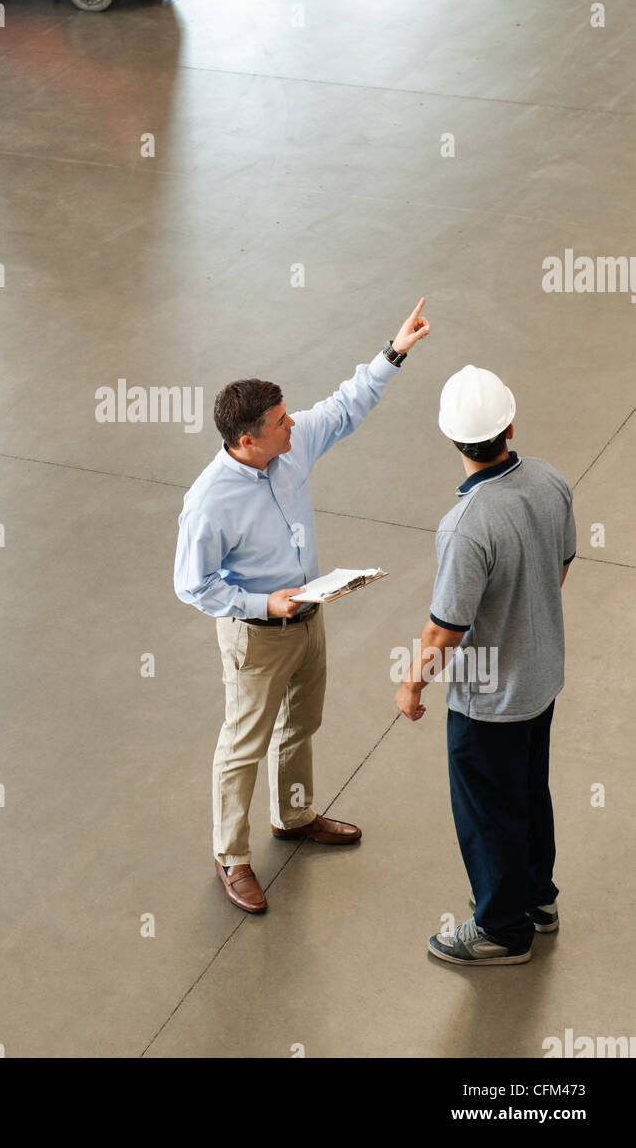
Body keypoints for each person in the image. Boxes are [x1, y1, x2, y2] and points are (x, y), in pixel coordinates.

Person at [175, 300, 431, 914]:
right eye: (282, 422)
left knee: (300, 725)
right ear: (246, 440)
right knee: (242, 744)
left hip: (309, 621)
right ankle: (231, 857)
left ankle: (292, 817)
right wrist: (266, 602)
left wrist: (393, 353)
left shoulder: (288, 450)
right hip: (256, 637)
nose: (295, 426)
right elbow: (193, 585)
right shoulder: (209, 504)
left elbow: (344, 407)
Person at [396, 366, 575, 966]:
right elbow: (561, 566)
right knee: (528, 789)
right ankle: (538, 899)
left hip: (489, 700)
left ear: (451, 440)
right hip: (541, 677)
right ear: (509, 426)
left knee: (487, 810)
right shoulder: (550, 481)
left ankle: (502, 927)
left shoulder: (467, 525)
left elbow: (445, 627)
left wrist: (412, 681)